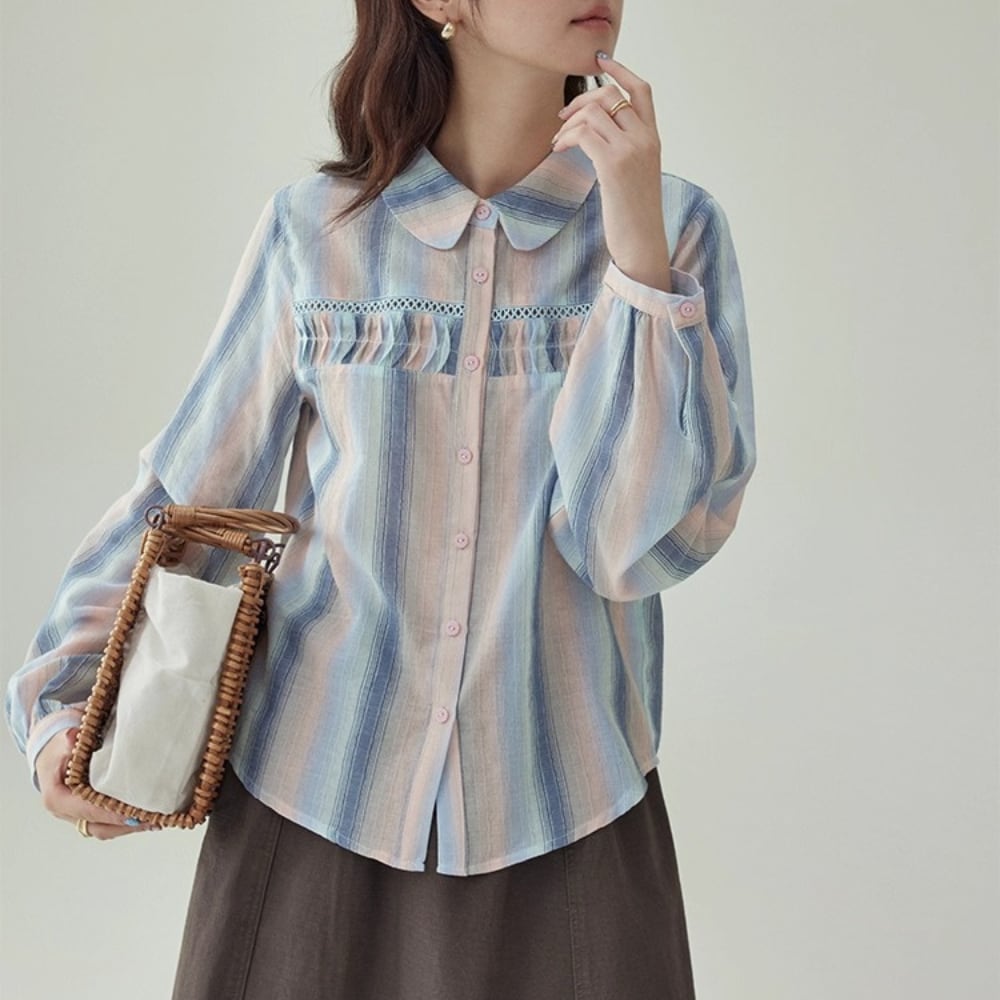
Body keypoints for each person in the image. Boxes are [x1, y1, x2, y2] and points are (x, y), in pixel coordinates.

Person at [5, 0, 757, 996]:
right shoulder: (315, 231)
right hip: (312, 811)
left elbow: (632, 548)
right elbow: (190, 492)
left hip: (570, 814)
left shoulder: (675, 232)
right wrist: (61, 700)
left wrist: (638, 262)